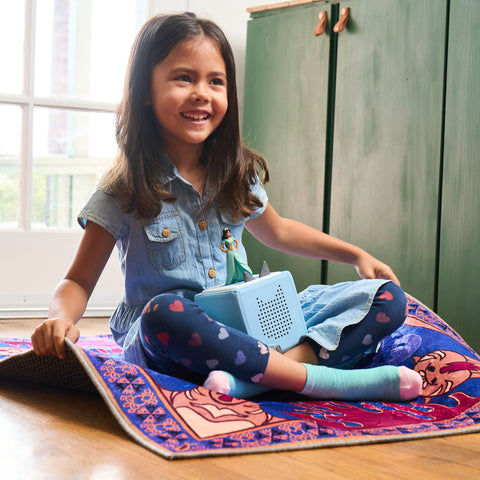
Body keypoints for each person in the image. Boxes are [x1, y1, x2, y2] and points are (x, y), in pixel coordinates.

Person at [31, 12, 421, 402]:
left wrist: (354, 255)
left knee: (386, 298)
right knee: (163, 312)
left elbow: (279, 230)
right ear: (144, 90)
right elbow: (78, 282)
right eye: (184, 78)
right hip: (174, 337)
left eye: (215, 81)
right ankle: (323, 380)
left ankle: (257, 380)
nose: (202, 92)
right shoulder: (124, 189)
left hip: (249, 324)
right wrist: (59, 320)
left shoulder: (236, 172)